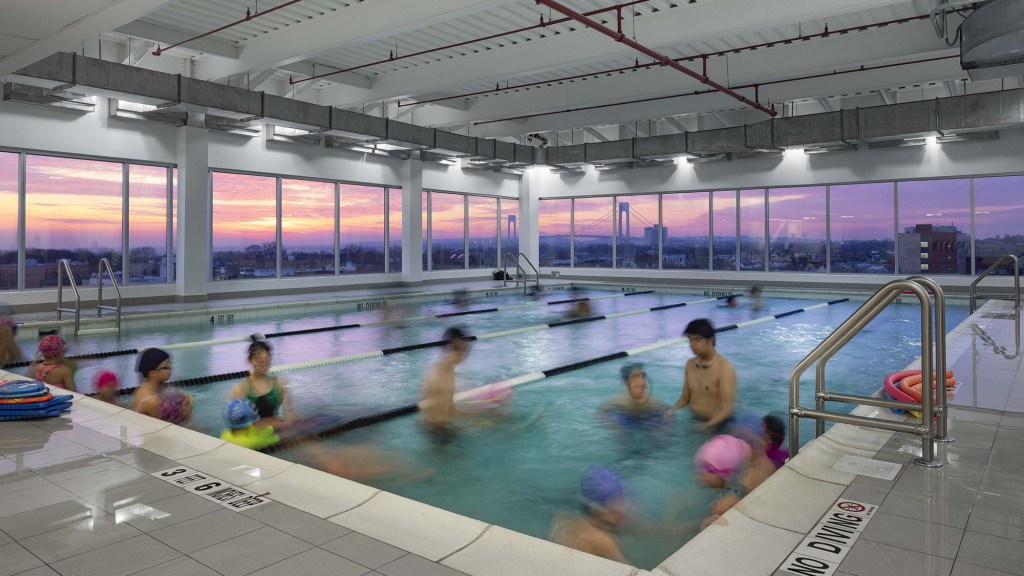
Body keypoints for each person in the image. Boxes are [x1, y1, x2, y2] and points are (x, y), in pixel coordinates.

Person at [665, 319, 736, 432]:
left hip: (718, 425)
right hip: (695, 421)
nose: (692, 344)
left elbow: (727, 408)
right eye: (690, 340)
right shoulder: (690, 364)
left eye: (698, 340)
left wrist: (708, 425)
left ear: (711, 340)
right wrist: (671, 410)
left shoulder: (724, 368)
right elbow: (685, 398)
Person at [549, 465, 630, 564]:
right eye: (616, 502)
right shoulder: (602, 541)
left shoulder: (561, 518)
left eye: (622, 498)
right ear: (596, 508)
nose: (624, 506)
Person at [231, 340, 295, 428]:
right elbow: (244, 424)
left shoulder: (280, 383)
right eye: (260, 362)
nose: (264, 366)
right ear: (250, 360)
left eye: (267, 362)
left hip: (277, 429)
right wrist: (277, 422)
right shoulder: (241, 389)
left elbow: (289, 414)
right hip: (256, 435)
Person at [419, 327, 473, 430]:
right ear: (446, 349)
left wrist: (477, 416)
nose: (462, 354)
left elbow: (451, 411)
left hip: (441, 428)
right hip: (434, 432)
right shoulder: (438, 377)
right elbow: (432, 420)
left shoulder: (449, 371)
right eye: (458, 348)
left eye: (465, 348)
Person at [693, 434, 751, 530]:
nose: (703, 472)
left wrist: (704, 525)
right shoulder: (731, 489)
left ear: (726, 473)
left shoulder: (724, 505)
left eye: (710, 469)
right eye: (703, 466)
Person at [598, 363, 669, 430]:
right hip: (626, 417)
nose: (641, 381)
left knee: (658, 434)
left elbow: (668, 412)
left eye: (643, 376)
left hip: (648, 416)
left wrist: (663, 427)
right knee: (620, 434)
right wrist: (613, 426)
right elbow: (601, 412)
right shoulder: (619, 399)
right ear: (625, 382)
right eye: (635, 377)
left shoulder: (651, 400)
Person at [130, 348, 171, 418]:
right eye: (167, 367)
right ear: (152, 373)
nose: (170, 369)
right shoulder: (151, 402)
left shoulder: (142, 388)